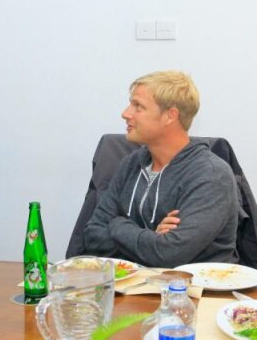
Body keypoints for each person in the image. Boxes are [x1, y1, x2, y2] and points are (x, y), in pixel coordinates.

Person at [82, 70, 239, 268]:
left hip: (194, 287)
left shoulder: (211, 175)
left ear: (170, 116)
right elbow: (92, 237)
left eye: (138, 106)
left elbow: (168, 254)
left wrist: (117, 224)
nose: (126, 113)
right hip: (136, 284)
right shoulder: (130, 164)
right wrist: (151, 237)